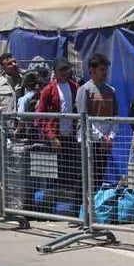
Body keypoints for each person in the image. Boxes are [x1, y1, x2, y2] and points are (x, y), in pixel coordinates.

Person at [36, 59, 81, 198]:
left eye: (66, 69)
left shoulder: (75, 87)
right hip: (54, 139)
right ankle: (50, 205)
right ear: (55, 71)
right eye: (61, 69)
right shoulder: (48, 89)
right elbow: (39, 116)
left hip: (71, 138)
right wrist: (51, 137)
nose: (64, 72)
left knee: (70, 175)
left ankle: (67, 205)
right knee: (52, 176)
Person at [77, 53, 118, 186]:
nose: (105, 73)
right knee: (87, 179)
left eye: (106, 69)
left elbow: (115, 117)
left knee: (99, 178)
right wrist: (100, 138)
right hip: (89, 142)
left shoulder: (111, 91)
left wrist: (110, 137)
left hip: (105, 143)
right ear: (92, 71)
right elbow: (83, 119)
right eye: (102, 69)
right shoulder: (85, 90)